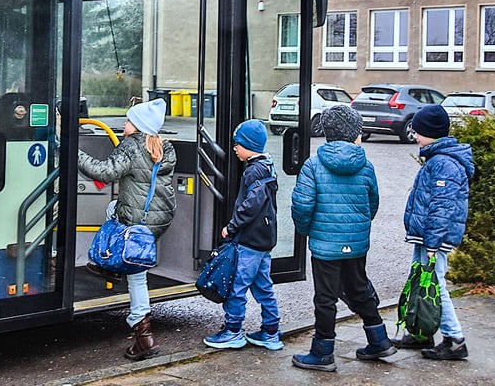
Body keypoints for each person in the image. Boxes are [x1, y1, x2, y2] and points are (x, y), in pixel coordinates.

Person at [290, 105, 395, 372]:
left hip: (325, 245)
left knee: (325, 298)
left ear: (327, 131)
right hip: (356, 242)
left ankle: (323, 352)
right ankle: (379, 340)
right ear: (353, 133)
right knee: (358, 288)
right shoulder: (366, 165)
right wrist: (357, 228)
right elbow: (373, 202)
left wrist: (307, 230)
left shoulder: (313, 165)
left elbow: (302, 206)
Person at [77, 98, 176, 361]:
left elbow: (104, 172)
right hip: (158, 221)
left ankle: (144, 336)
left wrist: (73, 153)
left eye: (129, 120)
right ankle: (111, 267)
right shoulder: (164, 147)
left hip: (138, 223)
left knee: (136, 275)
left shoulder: (132, 147)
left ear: (139, 125)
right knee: (113, 209)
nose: (125, 125)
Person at [390, 104, 474, 360]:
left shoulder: (444, 163)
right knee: (421, 280)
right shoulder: (439, 159)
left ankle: (454, 339)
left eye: (418, 131)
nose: (414, 136)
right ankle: (421, 332)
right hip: (427, 236)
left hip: (433, 239)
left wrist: (433, 243)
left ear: (431, 133)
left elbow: (442, 207)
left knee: (434, 284)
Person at [203, 119, 282, 351]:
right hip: (263, 240)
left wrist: (232, 226)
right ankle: (271, 331)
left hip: (249, 241)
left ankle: (233, 331)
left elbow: (251, 205)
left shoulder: (253, 171)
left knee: (236, 286)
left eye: (238, 144)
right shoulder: (267, 166)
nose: (235, 148)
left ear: (249, 145)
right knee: (263, 287)